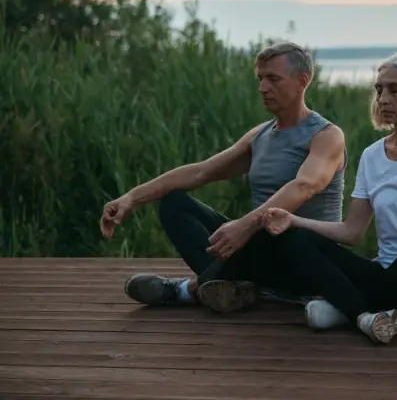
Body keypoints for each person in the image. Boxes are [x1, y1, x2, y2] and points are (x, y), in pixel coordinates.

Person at [98, 42, 348, 313]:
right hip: (262, 252)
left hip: (308, 257)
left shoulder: (326, 136)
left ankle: (188, 290)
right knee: (174, 202)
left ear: (302, 81)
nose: (262, 88)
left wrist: (245, 225)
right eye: (260, 79)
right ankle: (235, 287)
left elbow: (305, 186)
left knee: (278, 231)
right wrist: (131, 198)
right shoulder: (260, 136)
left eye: (273, 79)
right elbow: (202, 171)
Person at [259, 51, 397, 344]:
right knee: (294, 237)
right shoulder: (372, 156)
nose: (383, 98)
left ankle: (347, 306)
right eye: (379, 89)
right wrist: (294, 220)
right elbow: (352, 231)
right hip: (386, 277)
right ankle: (364, 316)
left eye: (395, 90)